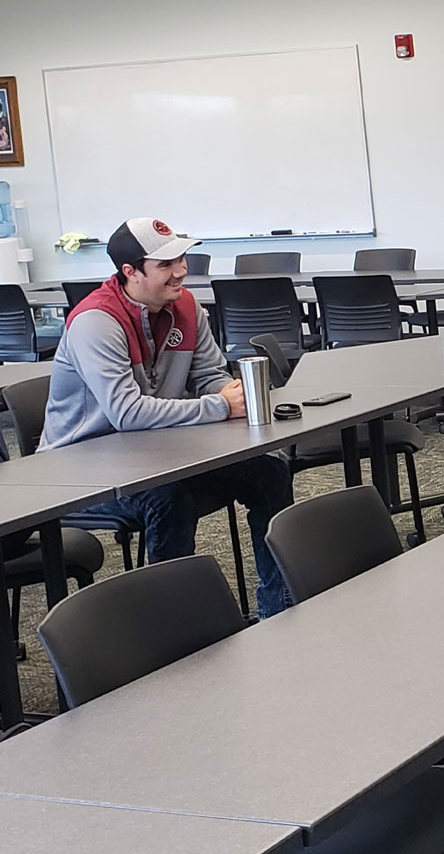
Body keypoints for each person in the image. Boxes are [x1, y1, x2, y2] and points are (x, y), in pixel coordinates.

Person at [41, 217, 295, 617]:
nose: (181, 271)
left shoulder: (188, 308)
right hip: (81, 469)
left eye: (181, 258)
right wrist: (221, 407)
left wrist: (234, 393)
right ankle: (173, 635)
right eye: (165, 264)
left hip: (158, 452)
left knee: (269, 473)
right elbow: (127, 413)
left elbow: (210, 376)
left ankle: (280, 611)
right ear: (130, 272)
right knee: (168, 499)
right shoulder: (96, 322)